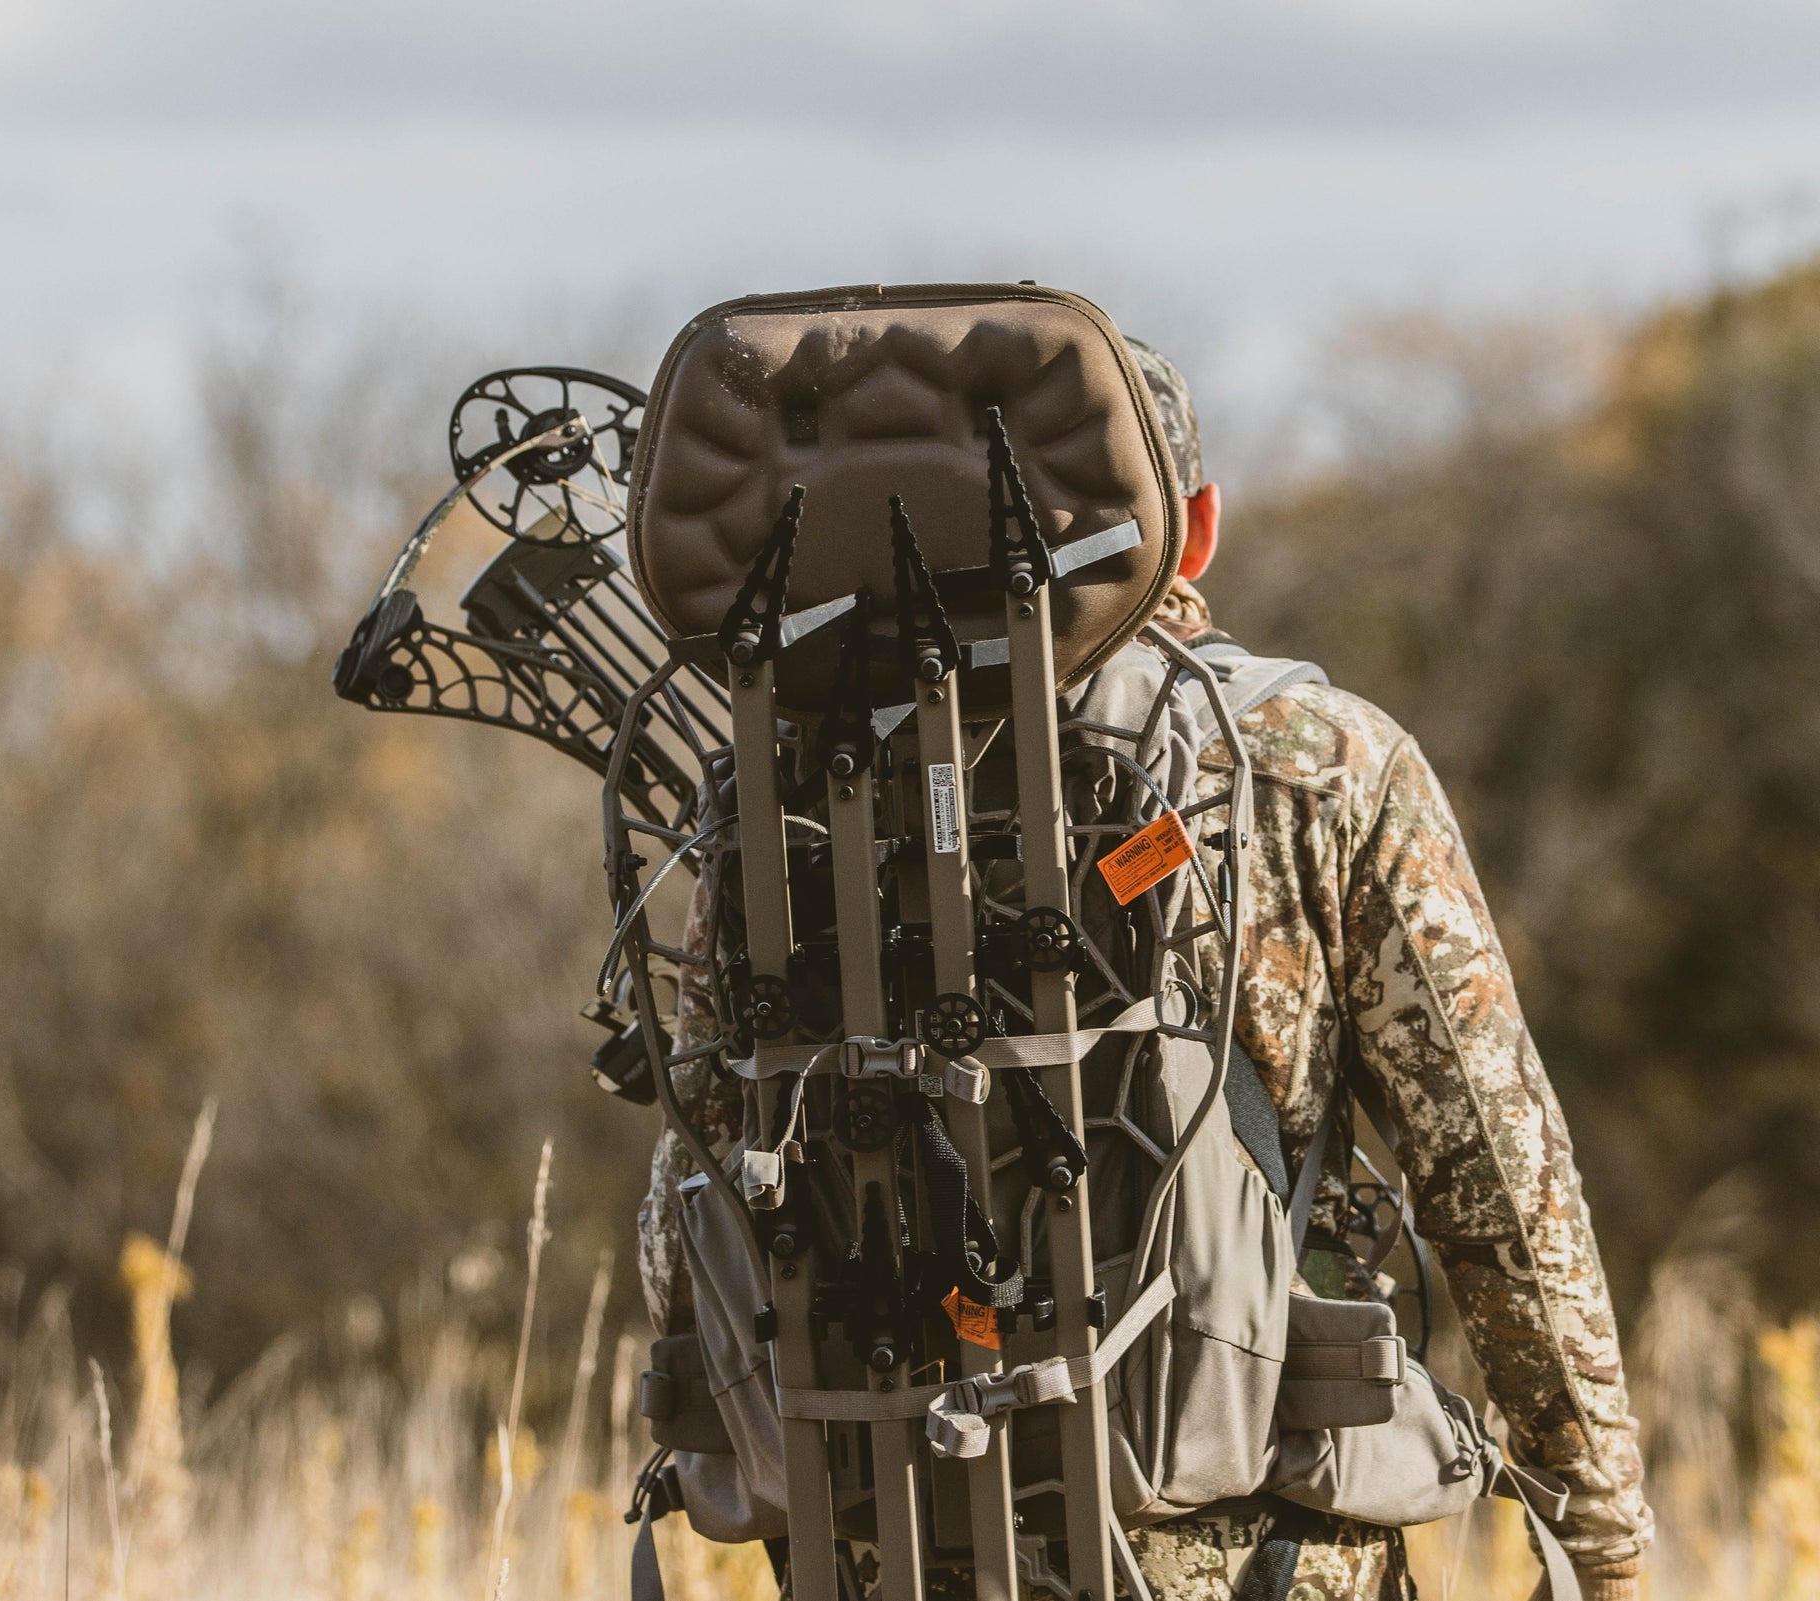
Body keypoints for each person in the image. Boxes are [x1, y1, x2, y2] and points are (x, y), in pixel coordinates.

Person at [635, 340, 1653, 1601]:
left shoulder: (775, 788)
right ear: (1197, 525)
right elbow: (1502, 1183)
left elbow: (690, 1196)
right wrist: (1602, 1543)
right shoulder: (1311, 758)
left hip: (875, 1548)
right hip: (1244, 1551)